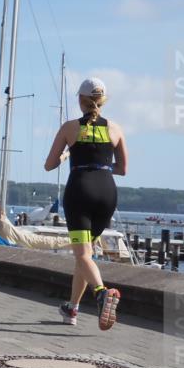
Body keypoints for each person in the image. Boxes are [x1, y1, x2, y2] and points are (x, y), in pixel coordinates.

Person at [43, 77, 127, 329]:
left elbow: (49, 165)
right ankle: (72, 308)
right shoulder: (115, 128)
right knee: (85, 254)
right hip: (107, 192)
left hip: (80, 190)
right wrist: (100, 164)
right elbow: (122, 169)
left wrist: (68, 154)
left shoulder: (70, 128)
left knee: (82, 254)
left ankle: (101, 293)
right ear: (102, 101)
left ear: (80, 100)